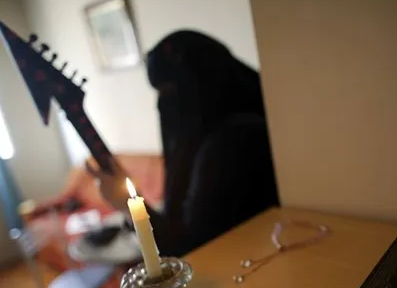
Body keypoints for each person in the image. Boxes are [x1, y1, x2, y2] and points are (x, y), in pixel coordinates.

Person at [87, 30, 279, 256]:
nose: (162, 104)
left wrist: (129, 205)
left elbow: (192, 247)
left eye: (168, 91)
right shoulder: (220, 133)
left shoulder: (233, 142)